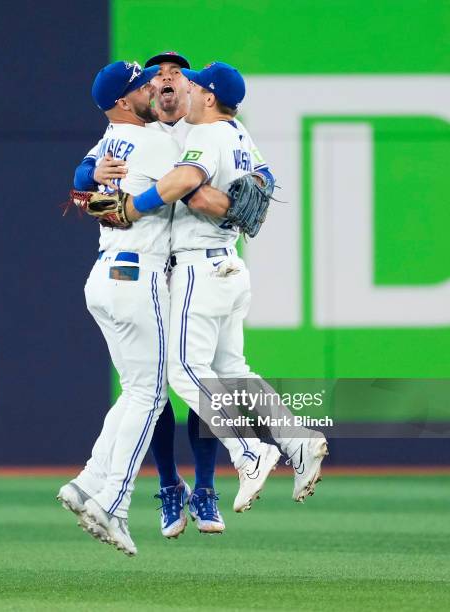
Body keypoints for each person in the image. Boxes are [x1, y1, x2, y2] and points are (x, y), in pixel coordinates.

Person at [125, 62, 329, 509]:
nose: (188, 88)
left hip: (199, 269)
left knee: (183, 370)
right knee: (233, 371)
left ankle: (248, 450)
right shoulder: (238, 132)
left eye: (195, 85)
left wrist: (133, 206)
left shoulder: (206, 135)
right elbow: (263, 182)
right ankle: (297, 441)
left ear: (211, 97)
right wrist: (228, 202)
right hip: (231, 268)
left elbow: (187, 185)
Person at [57, 60, 181, 557]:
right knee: (151, 394)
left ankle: (88, 482)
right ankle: (115, 503)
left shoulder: (109, 141)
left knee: (136, 390)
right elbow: (187, 180)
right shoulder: (154, 141)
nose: (153, 88)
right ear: (123, 102)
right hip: (139, 273)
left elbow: (82, 189)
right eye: (142, 87)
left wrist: (89, 180)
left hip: (105, 274)